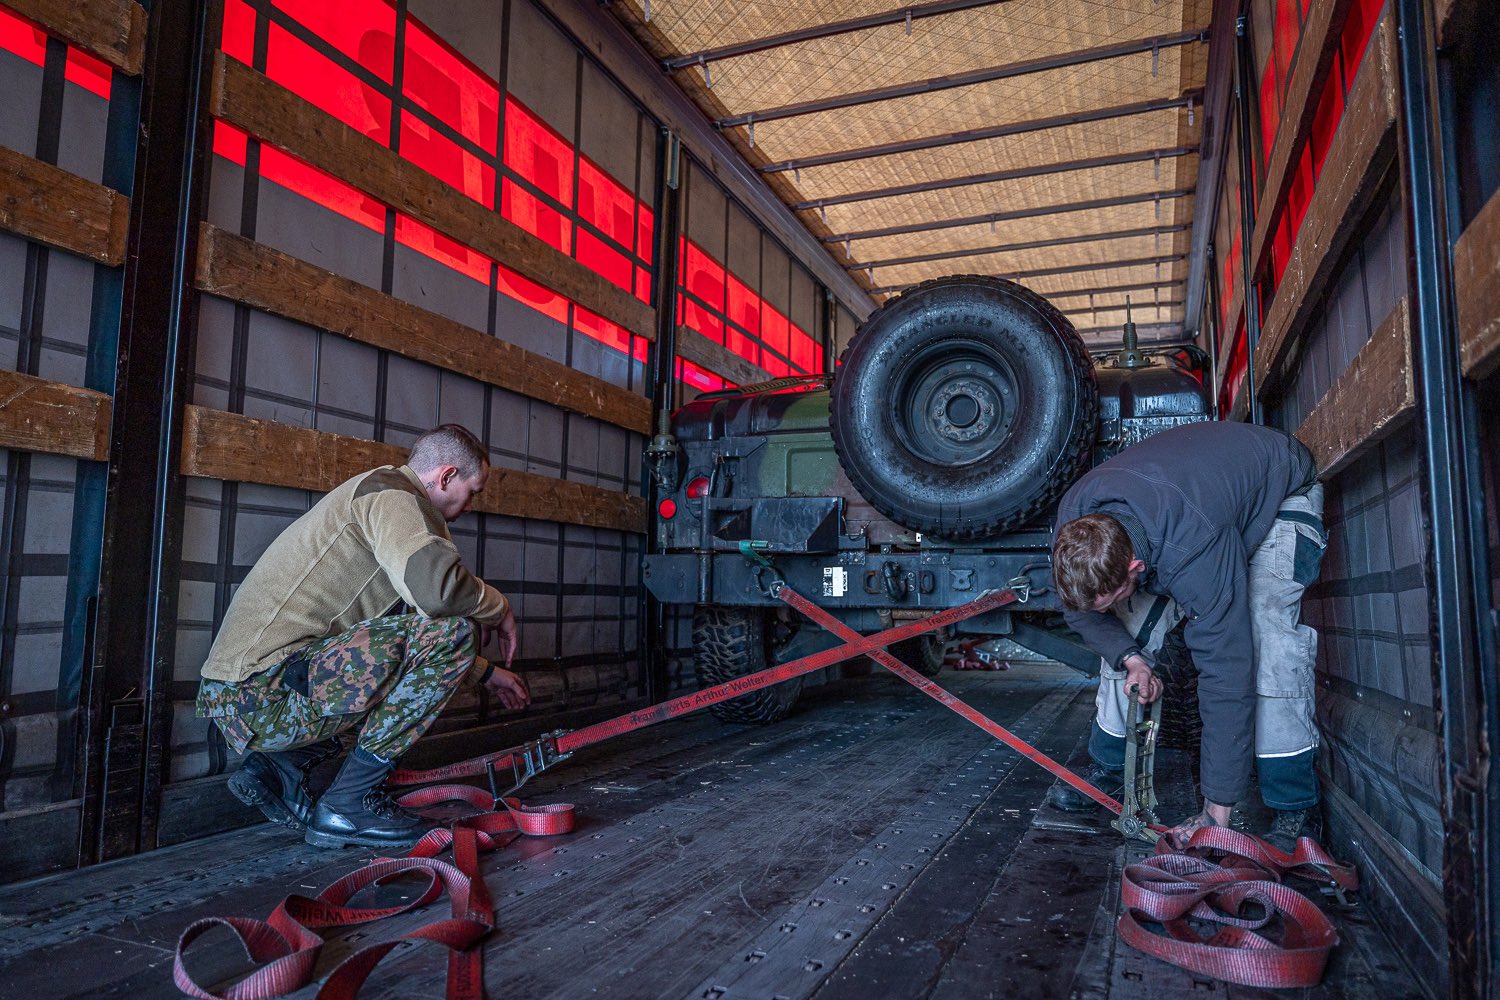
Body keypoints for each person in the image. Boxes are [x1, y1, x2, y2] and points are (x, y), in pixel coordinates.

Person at [196, 423, 530, 850]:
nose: (472, 504)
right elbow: (439, 596)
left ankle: (279, 769)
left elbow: (412, 652)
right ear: (446, 477)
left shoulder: (387, 502)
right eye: (473, 491)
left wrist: (488, 675)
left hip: (249, 694)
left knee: (431, 649)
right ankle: (348, 805)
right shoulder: (393, 497)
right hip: (263, 694)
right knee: (457, 629)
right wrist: (499, 607)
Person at [1046, 421, 1326, 852]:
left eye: (1110, 597)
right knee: (1125, 635)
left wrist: (1216, 814)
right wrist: (1131, 659)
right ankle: (1109, 769)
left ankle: (1294, 804)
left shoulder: (1192, 553)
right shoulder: (1077, 523)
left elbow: (1225, 671)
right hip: (1194, 505)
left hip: (1278, 492)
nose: (1101, 609)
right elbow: (1080, 610)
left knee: (1269, 641)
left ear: (1134, 569)